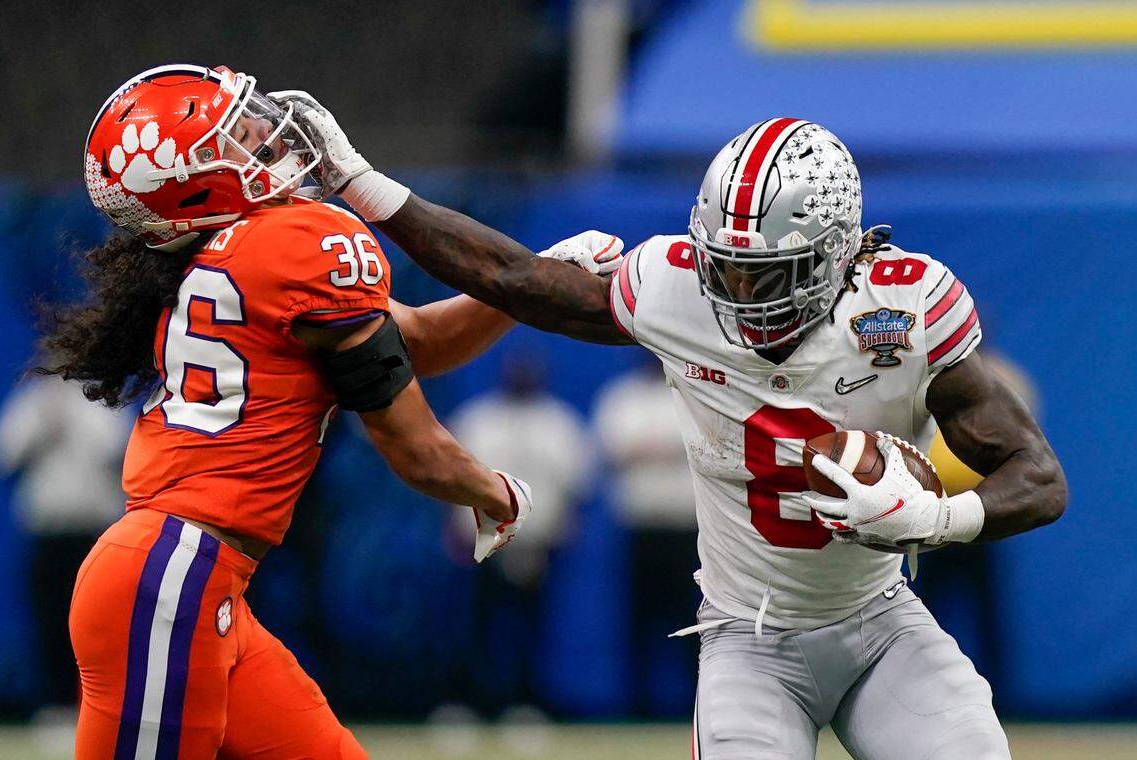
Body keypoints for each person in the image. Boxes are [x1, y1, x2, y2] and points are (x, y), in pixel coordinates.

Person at [287, 103, 1067, 759]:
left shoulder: (905, 311)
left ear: (833, 255)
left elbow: (1037, 475)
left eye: (761, 274)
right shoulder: (676, 286)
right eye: (723, 264)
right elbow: (513, 281)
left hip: (880, 623)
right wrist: (362, 182)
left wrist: (938, 519)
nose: (733, 290)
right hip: (747, 642)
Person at [48, 64, 615, 760]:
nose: (268, 137)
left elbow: (420, 343)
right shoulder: (299, 243)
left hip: (188, 579)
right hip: (173, 579)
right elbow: (416, 449)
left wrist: (534, 277)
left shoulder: (233, 259)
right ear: (194, 182)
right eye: (243, 137)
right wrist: (496, 493)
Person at [448, 354, 591, 713]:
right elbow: (450, 480)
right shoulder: (477, 419)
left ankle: (527, 702)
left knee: (533, 626)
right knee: (478, 625)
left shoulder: (558, 423)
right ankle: (472, 703)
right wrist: (454, 530)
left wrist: (563, 531)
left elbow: (576, 485)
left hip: (538, 543)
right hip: (483, 541)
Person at [0, 376, 130, 719]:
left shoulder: (102, 399)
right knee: (50, 618)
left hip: (93, 534)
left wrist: (74, 415)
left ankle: (95, 707)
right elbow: (7, 453)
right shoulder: (35, 399)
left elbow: (112, 450)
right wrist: (43, 418)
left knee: (95, 626)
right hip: (48, 531)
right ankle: (57, 706)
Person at [592, 355, 698, 717]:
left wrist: (649, 449)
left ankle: (700, 702)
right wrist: (670, 448)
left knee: (695, 619)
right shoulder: (622, 397)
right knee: (639, 619)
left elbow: (707, 445)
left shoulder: (693, 394)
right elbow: (614, 449)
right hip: (642, 528)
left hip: (690, 531)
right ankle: (636, 705)